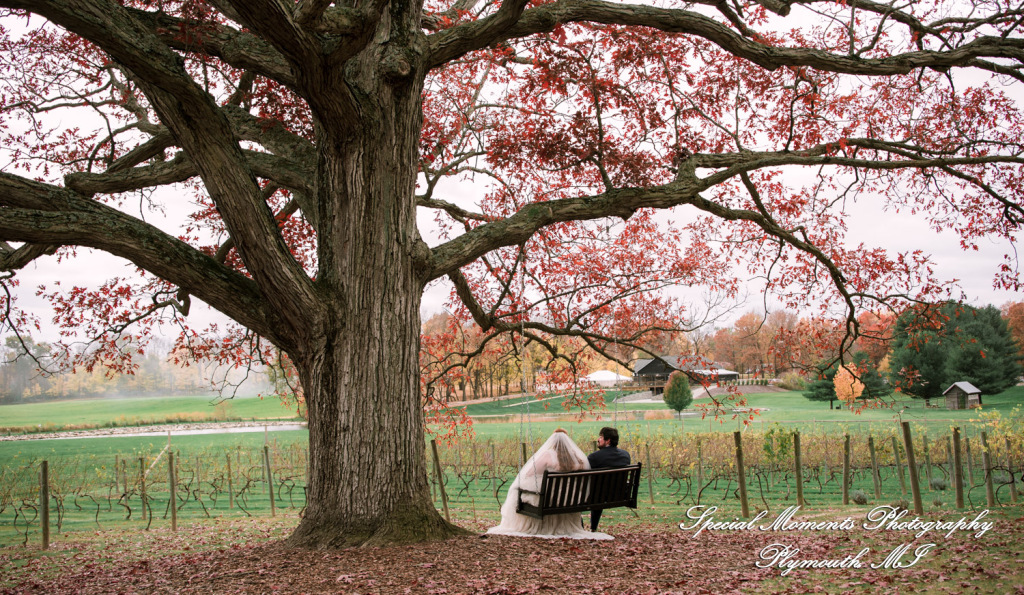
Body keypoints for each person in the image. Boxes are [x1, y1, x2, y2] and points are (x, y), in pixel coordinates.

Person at [486, 429, 612, 539]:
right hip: (570, 499)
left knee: (517, 489)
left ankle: (526, 525)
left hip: (551, 500)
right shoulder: (577, 458)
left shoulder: (548, 455)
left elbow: (530, 472)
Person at [587, 426, 630, 532]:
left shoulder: (594, 457)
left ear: (608, 440)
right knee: (599, 492)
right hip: (619, 495)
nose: (598, 439)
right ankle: (593, 528)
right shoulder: (625, 455)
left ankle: (590, 528)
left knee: (595, 492)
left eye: (601, 437)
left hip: (598, 497)